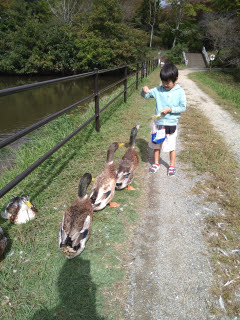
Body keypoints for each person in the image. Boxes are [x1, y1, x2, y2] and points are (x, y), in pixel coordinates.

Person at [141, 62, 186, 176]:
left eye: (168, 83)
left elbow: (182, 107)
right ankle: (156, 163)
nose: (165, 85)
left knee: (171, 145)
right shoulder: (158, 90)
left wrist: (170, 110)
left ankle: (171, 165)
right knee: (157, 144)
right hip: (158, 124)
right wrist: (144, 90)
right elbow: (146, 95)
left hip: (171, 124)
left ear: (175, 79)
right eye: (163, 82)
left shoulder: (180, 92)